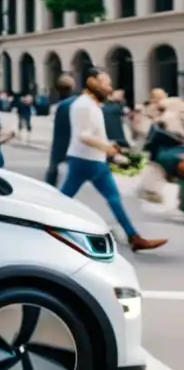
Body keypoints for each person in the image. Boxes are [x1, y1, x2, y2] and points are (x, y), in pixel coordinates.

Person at [59, 67, 166, 252]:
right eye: (106, 83)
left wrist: (110, 148)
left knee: (109, 198)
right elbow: (82, 135)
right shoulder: (83, 105)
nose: (109, 87)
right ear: (93, 82)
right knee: (66, 198)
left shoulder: (92, 105)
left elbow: (93, 133)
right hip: (84, 160)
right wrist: (106, 147)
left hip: (93, 159)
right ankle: (134, 237)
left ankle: (134, 237)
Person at [44, 74, 77, 187]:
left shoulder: (58, 106)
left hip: (60, 143)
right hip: (73, 142)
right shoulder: (75, 103)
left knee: (53, 172)